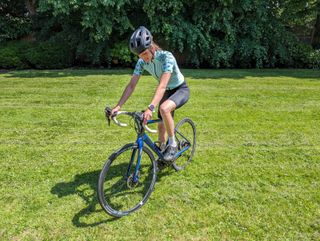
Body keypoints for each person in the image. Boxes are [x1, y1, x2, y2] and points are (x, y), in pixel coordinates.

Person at [111, 26, 190, 162]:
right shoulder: (141, 62)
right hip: (166, 91)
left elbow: (162, 85)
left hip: (180, 89)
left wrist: (151, 107)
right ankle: (163, 152)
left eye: (144, 54)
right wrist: (118, 106)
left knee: (164, 109)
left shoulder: (167, 57)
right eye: (139, 56)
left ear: (152, 47)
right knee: (161, 124)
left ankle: (173, 144)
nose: (143, 58)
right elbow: (131, 86)